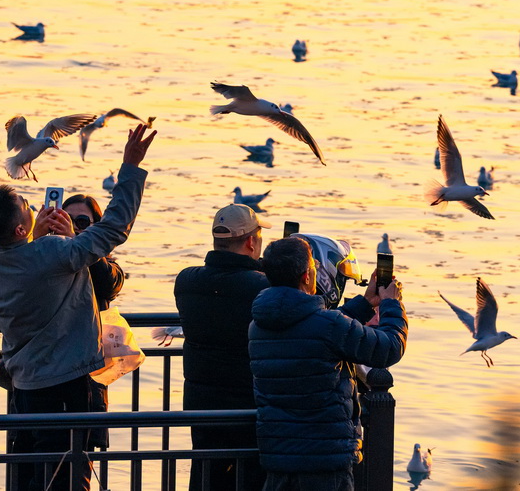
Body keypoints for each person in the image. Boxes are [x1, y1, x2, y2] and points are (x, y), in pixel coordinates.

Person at [0, 124, 156, 491]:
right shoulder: (56, 252)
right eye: (27, 206)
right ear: (19, 228)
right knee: (67, 475)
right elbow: (115, 228)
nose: (34, 207)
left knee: (31, 471)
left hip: (24, 385)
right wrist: (131, 166)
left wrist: (35, 245)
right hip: (67, 383)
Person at [249, 238, 408, 491]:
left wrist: (365, 304)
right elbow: (388, 348)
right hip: (324, 459)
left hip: (278, 455)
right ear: (307, 275)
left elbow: (313, 327)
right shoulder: (328, 326)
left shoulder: (258, 325)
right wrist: (391, 304)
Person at [174, 204, 271, 491]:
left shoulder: (186, 280)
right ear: (252, 242)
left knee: (206, 475)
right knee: (248, 478)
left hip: (200, 404)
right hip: (247, 405)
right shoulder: (262, 288)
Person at [62, 193, 126, 450]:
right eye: (67, 219)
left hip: (86, 379)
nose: (75, 227)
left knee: (79, 464)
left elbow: (109, 286)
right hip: (42, 380)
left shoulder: (105, 264)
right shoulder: (40, 257)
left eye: (83, 222)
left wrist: (84, 245)